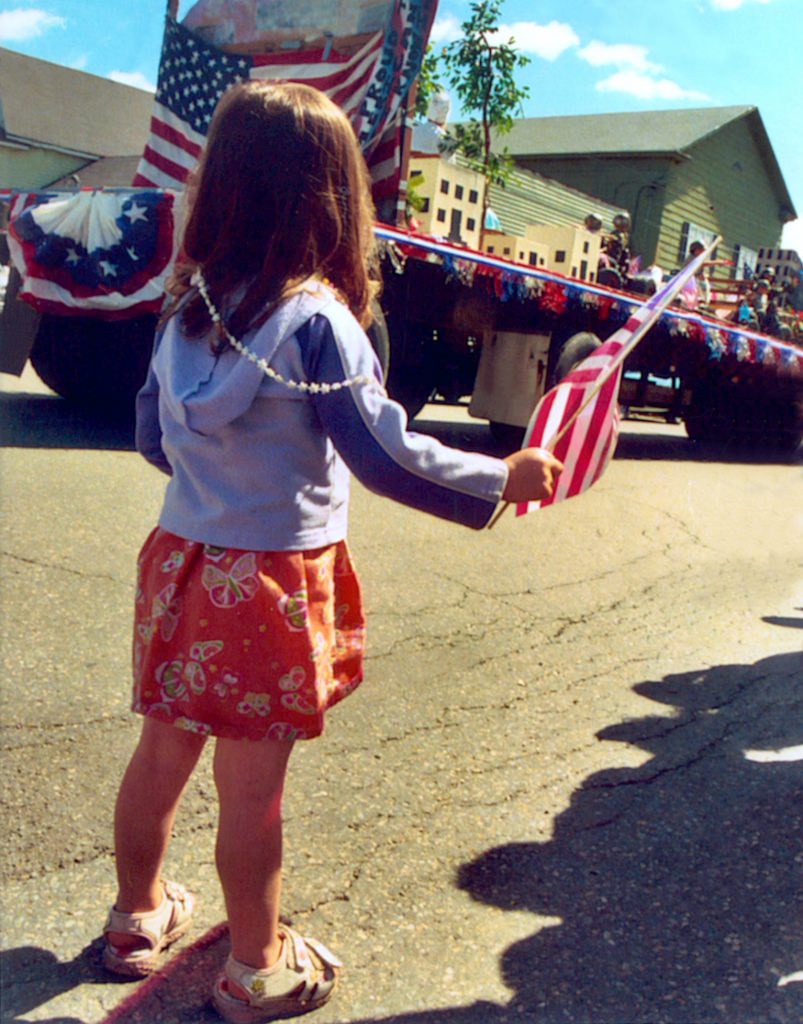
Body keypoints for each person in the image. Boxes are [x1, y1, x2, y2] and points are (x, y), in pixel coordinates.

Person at [102, 80, 563, 1023]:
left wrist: (216, 468)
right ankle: (254, 966)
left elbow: (152, 439)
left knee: (162, 749)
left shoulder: (184, 307)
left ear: (218, 186)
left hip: (182, 561)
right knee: (252, 790)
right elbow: (382, 455)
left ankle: (134, 916)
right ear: (333, 198)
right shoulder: (315, 320)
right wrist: (497, 477)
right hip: (267, 580)